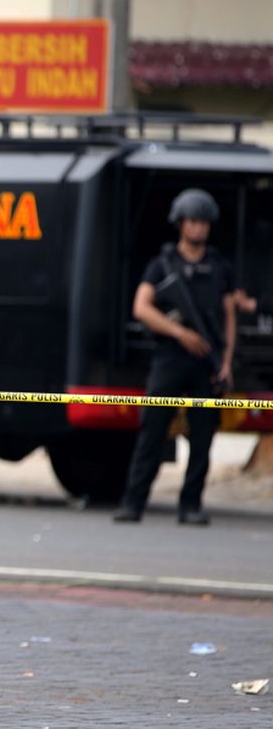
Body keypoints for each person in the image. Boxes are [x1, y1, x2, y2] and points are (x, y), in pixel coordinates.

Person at [115, 188, 237, 525]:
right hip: (170, 358)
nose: (198, 229)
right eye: (193, 222)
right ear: (180, 224)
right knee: (152, 431)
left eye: (204, 223)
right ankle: (133, 502)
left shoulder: (220, 268)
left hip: (206, 362)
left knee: (202, 436)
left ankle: (190, 505)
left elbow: (228, 317)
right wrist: (180, 333)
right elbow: (141, 308)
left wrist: (226, 361)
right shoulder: (162, 265)